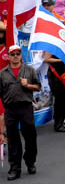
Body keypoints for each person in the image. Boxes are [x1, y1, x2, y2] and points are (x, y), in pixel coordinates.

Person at [0, 44, 41, 181]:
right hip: (10, 108)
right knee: (12, 139)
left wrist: (28, 85)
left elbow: (38, 87)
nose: (16, 56)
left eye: (18, 53)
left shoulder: (29, 70)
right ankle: (14, 167)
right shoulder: (3, 73)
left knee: (30, 136)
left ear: (21, 55)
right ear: (9, 57)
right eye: (13, 54)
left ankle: (30, 161)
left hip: (25, 107)